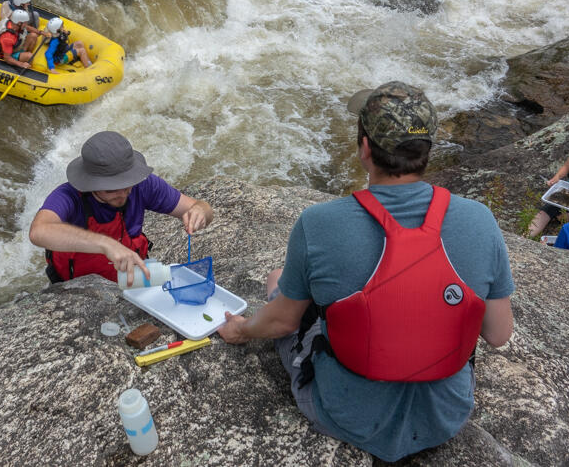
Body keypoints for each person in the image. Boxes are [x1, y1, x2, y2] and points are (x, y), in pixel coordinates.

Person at [218, 82, 514, 463]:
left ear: (365, 148)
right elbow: (498, 333)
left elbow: (281, 325)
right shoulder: (480, 219)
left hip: (347, 416)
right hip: (444, 416)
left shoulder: (318, 223)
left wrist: (239, 329)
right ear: (426, 151)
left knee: (279, 283)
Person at [28, 131, 214, 284]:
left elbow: (200, 207)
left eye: (127, 184)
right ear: (90, 183)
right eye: (111, 189)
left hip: (131, 280)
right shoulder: (67, 196)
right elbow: (39, 232)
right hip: (77, 287)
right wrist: (106, 244)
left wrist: (201, 211)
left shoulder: (143, 184)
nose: (123, 194)